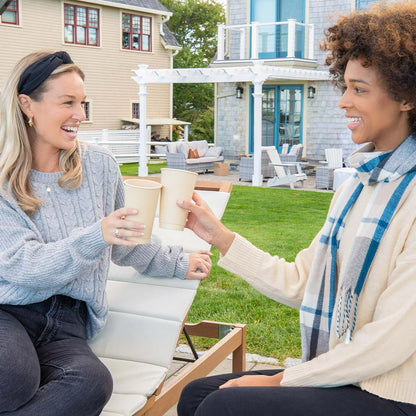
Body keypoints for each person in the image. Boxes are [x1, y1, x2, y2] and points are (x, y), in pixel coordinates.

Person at [176, 2, 416, 416]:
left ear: (407, 96)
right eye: (344, 86)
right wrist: (220, 237)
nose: (343, 102)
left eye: (359, 89)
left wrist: (281, 378)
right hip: (352, 376)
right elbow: (305, 282)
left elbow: (388, 343)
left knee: (226, 406)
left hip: (393, 392)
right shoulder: (358, 187)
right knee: (195, 395)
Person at [0, 50, 212, 415]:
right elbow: (22, 265)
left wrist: (178, 262)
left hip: (69, 322)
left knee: (92, 383)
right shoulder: (4, 179)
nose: (80, 115)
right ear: (26, 105)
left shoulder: (99, 167)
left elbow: (126, 240)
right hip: (9, 310)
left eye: (82, 103)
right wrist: (96, 235)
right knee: (12, 377)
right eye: (67, 102)